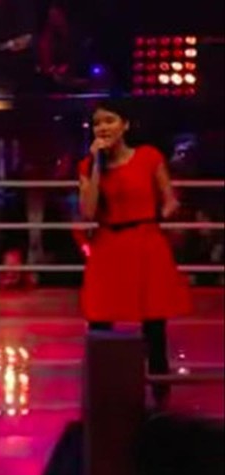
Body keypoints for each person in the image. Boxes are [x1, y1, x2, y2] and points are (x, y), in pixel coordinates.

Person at [78, 99, 191, 406]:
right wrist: (96, 164)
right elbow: (88, 211)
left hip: (145, 242)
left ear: (125, 125)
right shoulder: (87, 165)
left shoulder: (149, 156)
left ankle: (160, 396)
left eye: (109, 120)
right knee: (100, 321)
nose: (102, 127)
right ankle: (104, 396)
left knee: (154, 324)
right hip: (108, 245)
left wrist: (161, 216)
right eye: (97, 123)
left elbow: (169, 199)